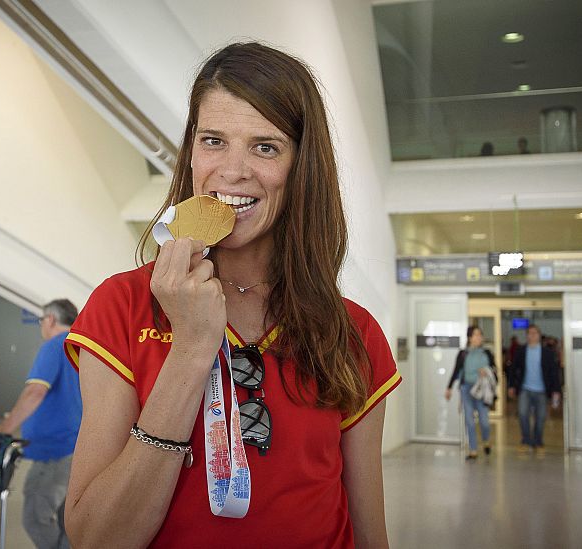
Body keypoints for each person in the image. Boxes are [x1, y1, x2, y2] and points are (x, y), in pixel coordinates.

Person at [62, 42, 401, 548]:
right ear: (192, 152)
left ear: (301, 167)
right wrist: (192, 349)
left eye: (265, 146)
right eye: (214, 140)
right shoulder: (121, 306)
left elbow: (370, 531)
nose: (233, 170)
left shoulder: (352, 331)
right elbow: (97, 539)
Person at [0, 299, 81, 549]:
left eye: (42, 320)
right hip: (75, 445)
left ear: (50, 320)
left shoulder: (54, 346)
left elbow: (35, 392)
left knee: (34, 518)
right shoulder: (81, 346)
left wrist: (5, 428)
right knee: (68, 520)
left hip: (54, 451)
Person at [508, 324, 562, 454]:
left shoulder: (547, 353)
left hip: (542, 390)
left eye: (535, 333)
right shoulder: (521, 351)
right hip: (525, 389)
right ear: (526, 336)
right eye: (530, 333)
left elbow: (554, 372)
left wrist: (556, 390)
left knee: (541, 417)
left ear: (539, 335)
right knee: (522, 414)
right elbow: (513, 369)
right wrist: (511, 386)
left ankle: (538, 442)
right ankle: (526, 440)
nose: (532, 335)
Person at [445, 326, 496, 459]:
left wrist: (487, 371)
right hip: (466, 389)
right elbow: (456, 371)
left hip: (482, 390)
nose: (479, 337)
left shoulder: (487, 353)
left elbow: (495, 370)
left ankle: (486, 440)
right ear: (469, 337)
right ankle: (473, 449)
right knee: (469, 420)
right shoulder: (463, 353)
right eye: (475, 335)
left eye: (480, 335)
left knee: (484, 421)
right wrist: (449, 387)